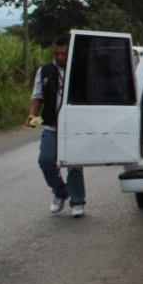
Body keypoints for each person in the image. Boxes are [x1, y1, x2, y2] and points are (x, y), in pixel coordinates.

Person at [26, 34, 86, 217]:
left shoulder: (80, 71)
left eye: (64, 54)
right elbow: (38, 95)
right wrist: (32, 114)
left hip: (75, 126)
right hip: (51, 125)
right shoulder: (44, 71)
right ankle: (60, 192)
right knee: (45, 161)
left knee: (74, 165)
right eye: (56, 53)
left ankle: (78, 202)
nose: (59, 57)